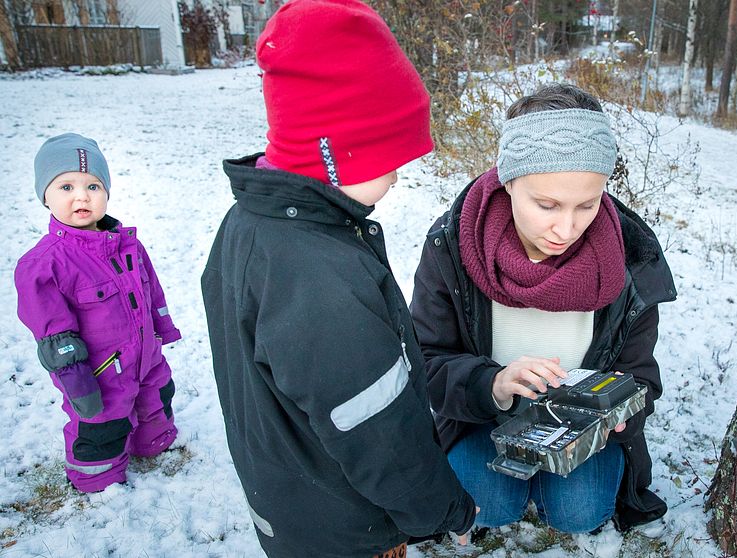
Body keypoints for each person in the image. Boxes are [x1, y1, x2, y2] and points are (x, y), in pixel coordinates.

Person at [200, 1, 476, 556]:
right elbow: (377, 432)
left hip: (292, 497)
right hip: (348, 525)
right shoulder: (318, 274)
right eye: (390, 155)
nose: (399, 176)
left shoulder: (252, 221)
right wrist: (444, 509)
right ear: (336, 154)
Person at [410, 83, 677, 535]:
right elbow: (426, 363)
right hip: (485, 419)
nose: (567, 227)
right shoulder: (453, 248)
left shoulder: (630, 259)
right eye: (547, 204)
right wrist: (492, 383)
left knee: (580, 513)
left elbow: (642, 378)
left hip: (580, 431)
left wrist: (618, 410)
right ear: (509, 180)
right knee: (488, 504)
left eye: (587, 205)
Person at [14, 133, 181, 494]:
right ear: (44, 197)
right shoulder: (44, 265)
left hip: (145, 357)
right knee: (102, 423)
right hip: (100, 373)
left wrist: (162, 330)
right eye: (65, 186)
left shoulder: (128, 245)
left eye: (93, 185)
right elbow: (55, 335)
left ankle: (151, 442)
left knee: (156, 400)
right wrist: (78, 383)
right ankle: (98, 477)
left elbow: (152, 291)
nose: (82, 196)